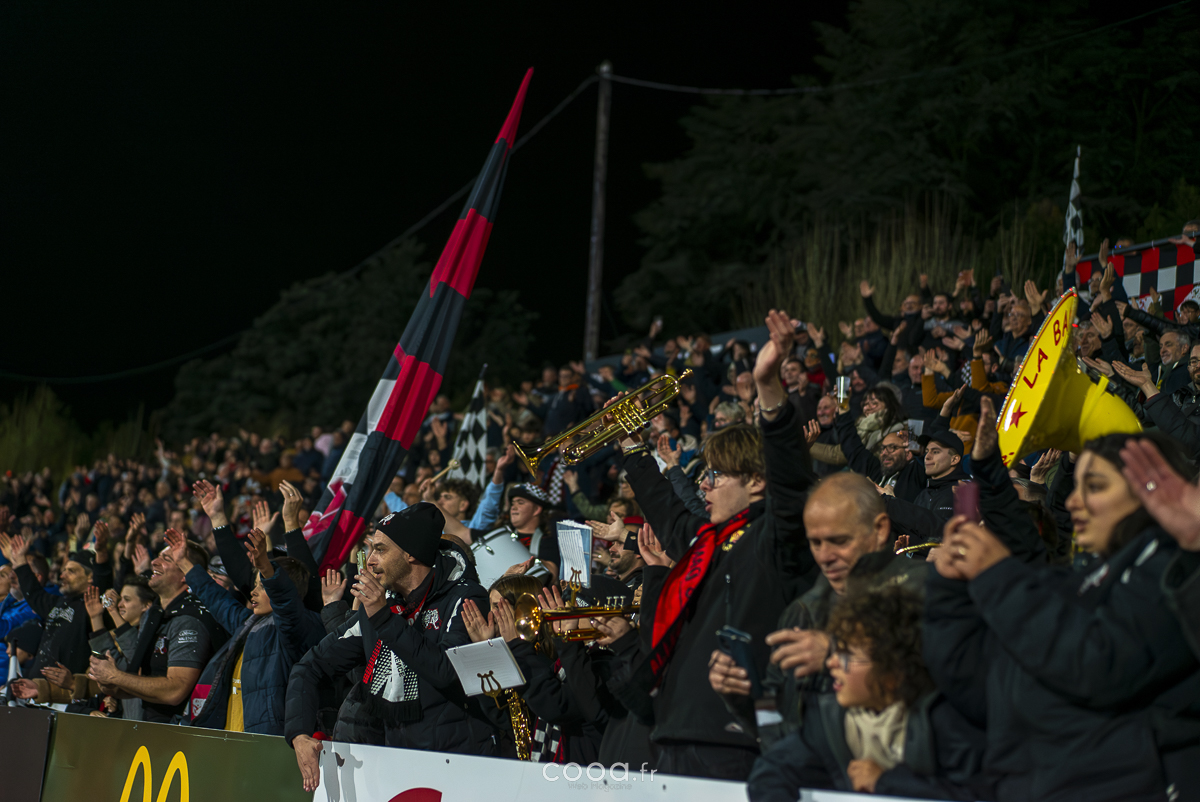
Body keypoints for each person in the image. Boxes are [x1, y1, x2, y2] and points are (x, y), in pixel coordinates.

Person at [925, 431, 1200, 800]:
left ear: (1150, 493)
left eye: (1095, 486)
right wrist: (948, 593)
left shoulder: (1171, 575)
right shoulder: (1086, 579)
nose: (1073, 501)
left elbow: (1094, 664)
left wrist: (997, 576)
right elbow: (977, 686)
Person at [617, 309, 819, 781]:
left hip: (728, 738)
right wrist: (631, 449)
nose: (704, 485)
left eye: (717, 475)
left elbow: (791, 482)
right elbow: (669, 516)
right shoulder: (710, 539)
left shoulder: (774, 534)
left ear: (756, 482)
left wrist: (768, 389)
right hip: (673, 729)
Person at [285, 503, 496, 793]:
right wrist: (299, 734)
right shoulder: (386, 605)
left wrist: (384, 619)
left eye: (380, 550)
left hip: (459, 767)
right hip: (400, 767)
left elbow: (449, 672)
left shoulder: (465, 598)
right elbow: (310, 666)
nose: (370, 561)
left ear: (411, 553)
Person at [747, 586, 988, 801]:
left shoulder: (944, 722)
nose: (831, 663)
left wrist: (885, 782)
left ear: (893, 671)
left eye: (847, 655)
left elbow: (978, 794)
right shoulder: (829, 720)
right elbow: (771, 771)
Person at [168, 528, 323, 734]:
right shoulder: (250, 623)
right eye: (256, 584)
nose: (253, 592)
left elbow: (286, 604)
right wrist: (183, 563)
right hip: (233, 738)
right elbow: (217, 599)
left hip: (266, 743)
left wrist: (266, 566)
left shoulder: (298, 626)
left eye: (263, 585)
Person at [86, 533, 227, 724]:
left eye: (166, 559)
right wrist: (108, 682)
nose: (154, 562)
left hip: (182, 732)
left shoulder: (189, 620)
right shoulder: (155, 615)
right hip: (154, 725)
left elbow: (175, 690)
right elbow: (140, 683)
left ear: (186, 573)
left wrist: (116, 676)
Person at [1, 532, 99, 675]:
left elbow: (104, 580)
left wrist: (102, 553)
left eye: (71, 571)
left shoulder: (93, 607)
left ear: (90, 577)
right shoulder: (57, 602)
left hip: (65, 686)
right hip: (37, 684)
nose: (62, 575)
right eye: (64, 571)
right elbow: (33, 593)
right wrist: (19, 559)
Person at [0, 563, 37, 685]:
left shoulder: (30, 608)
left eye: (2, 575)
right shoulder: (8, 605)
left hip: (4, 669)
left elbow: (4, 629)